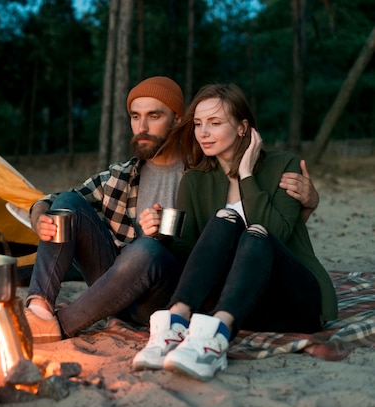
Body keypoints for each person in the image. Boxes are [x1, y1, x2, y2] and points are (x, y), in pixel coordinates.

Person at [25, 76, 320, 344]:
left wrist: (305, 207)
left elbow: (240, 236)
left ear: (177, 119)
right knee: (66, 204)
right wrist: (40, 216)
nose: (142, 127)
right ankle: (38, 309)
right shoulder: (121, 176)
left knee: (146, 250)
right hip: (109, 287)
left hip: (163, 293)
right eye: (135, 117)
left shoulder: (200, 171)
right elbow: (52, 200)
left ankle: (61, 326)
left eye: (154, 116)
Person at [132, 83, 337, 381]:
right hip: (236, 303)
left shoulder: (283, 165)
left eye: (215, 123)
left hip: (292, 299)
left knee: (254, 232)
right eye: (199, 124)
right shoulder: (195, 180)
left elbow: (274, 233)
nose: (203, 132)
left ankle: (215, 338)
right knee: (225, 219)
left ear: (243, 128)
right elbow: (190, 256)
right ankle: (177, 326)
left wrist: (246, 175)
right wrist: (160, 234)